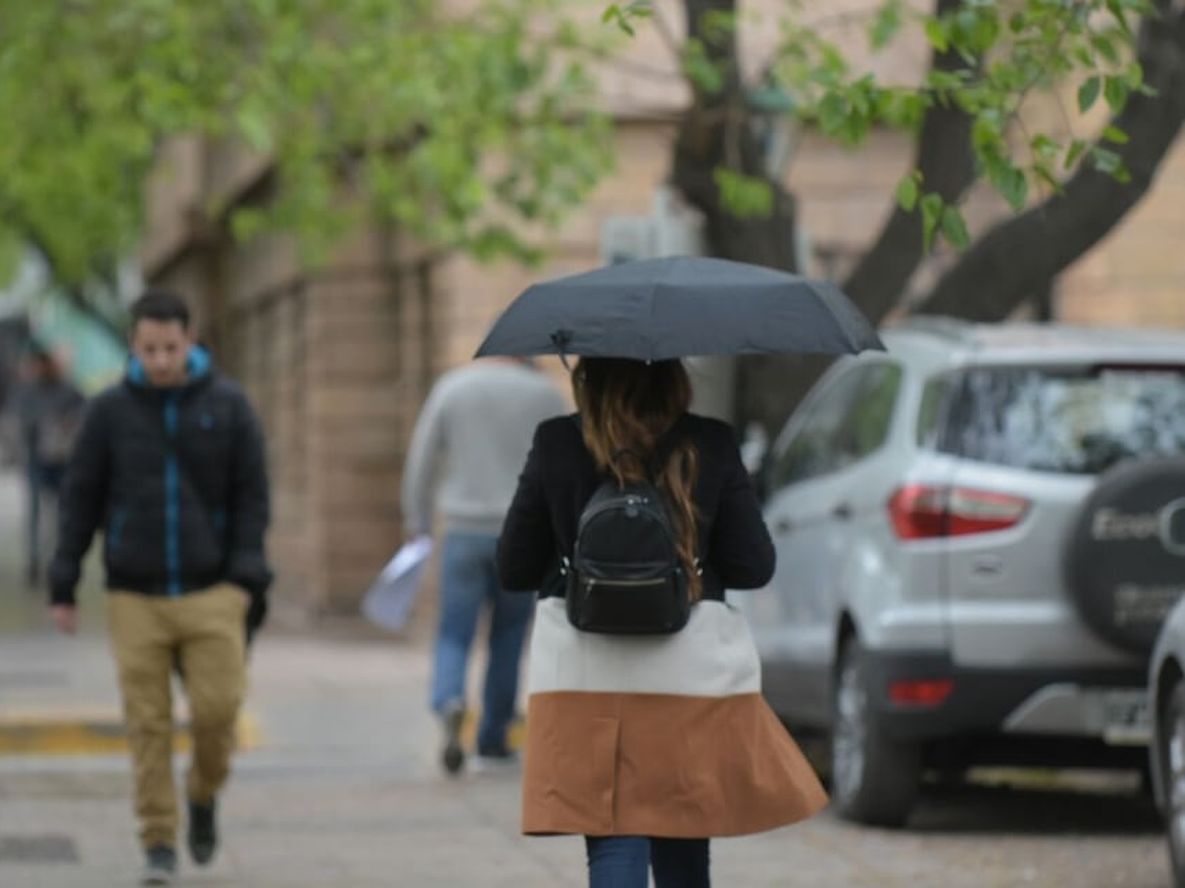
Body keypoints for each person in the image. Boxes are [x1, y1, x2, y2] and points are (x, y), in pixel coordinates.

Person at [498, 358, 828, 888]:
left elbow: (513, 567)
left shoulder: (558, 442)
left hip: (585, 677)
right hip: (687, 677)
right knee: (683, 843)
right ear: (675, 378)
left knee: (613, 838)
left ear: (589, 377)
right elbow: (754, 565)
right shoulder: (710, 442)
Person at [48, 290, 272, 886]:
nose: (161, 360)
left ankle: (201, 796)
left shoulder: (228, 406)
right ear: (134, 344)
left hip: (213, 591)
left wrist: (246, 573)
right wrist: (64, 580)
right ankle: (157, 843)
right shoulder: (109, 413)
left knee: (217, 714)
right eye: (149, 349)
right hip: (134, 594)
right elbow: (80, 499)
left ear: (189, 340)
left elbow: (252, 496)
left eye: (170, 348)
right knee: (146, 725)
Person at [401, 357, 566, 775]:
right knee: (509, 635)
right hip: (522, 532)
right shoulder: (546, 394)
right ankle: (493, 735)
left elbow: (422, 458)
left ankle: (450, 700)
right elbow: (567, 460)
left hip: (462, 529)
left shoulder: (453, 387)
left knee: (454, 631)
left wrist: (416, 520)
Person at [14, 344, 85, 588]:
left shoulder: (68, 389)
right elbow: (19, 419)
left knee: (59, 514)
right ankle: (35, 559)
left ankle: (55, 558)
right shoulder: (27, 391)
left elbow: (83, 413)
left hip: (61, 461)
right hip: (36, 460)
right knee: (35, 513)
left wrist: (67, 425)